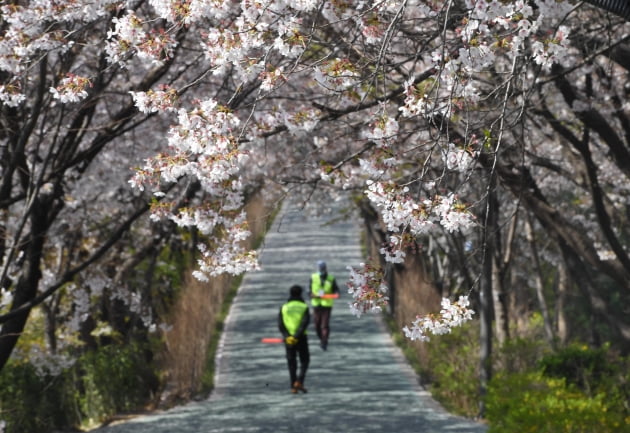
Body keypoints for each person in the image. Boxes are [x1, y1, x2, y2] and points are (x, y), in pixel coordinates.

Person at [278, 284, 310, 394]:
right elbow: (304, 323)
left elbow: (280, 324)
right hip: (301, 338)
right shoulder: (304, 307)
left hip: (288, 340)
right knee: (304, 360)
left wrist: (288, 336)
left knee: (291, 362)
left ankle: (293, 385)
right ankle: (300, 381)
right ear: (300, 294)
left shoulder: (284, 307)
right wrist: (297, 335)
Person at [309, 260, 339, 351]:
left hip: (327, 305)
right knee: (317, 325)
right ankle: (322, 338)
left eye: (322, 268)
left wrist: (336, 294)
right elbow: (308, 290)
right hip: (316, 304)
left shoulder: (331, 278)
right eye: (319, 268)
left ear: (325, 268)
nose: (321, 269)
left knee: (325, 325)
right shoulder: (313, 277)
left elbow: (336, 290)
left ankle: (324, 342)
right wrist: (312, 294)